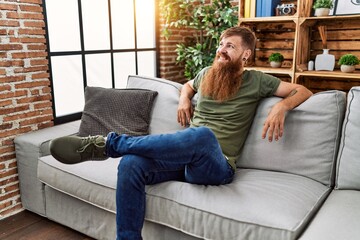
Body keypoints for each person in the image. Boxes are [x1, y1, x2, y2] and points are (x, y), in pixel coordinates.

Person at [49, 26, 313, 240]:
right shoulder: (207, 74)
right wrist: (184, 98)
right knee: (130, 164)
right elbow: (187, 85)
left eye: (230, 46)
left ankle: (108, 144)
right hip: (183, 161)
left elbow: (302, 90)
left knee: (204, 136)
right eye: (221, 44)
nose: (222, 50)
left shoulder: (257, 80)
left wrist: (282, 106)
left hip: (217, 166)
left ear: (246, 55)